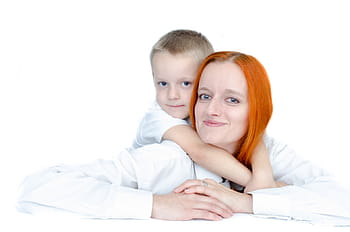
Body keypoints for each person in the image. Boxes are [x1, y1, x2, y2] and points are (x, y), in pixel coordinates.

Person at [133, 29, 274, 191]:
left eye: (186, 83)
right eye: (163, 83)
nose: (172, 95)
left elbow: (256, 136)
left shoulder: (206, 109)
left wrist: (263, 173)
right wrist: (258, 183)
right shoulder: (158, 118)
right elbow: (201, 152)